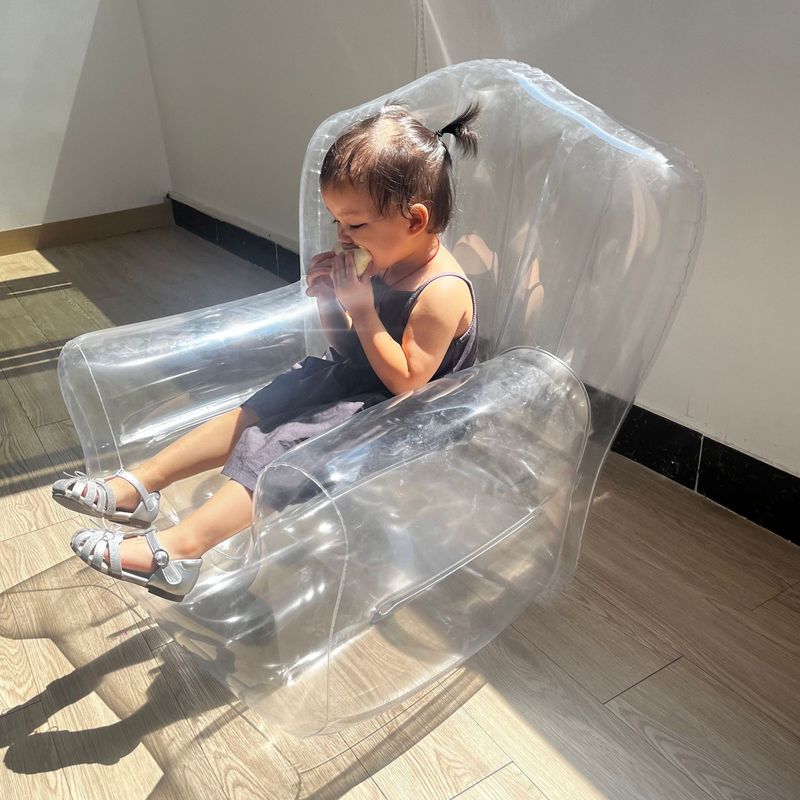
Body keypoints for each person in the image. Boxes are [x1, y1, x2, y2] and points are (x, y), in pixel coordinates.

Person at [53, 102, 480, 601]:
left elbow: (408, 384)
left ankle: (178, 551)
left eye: (356, 225)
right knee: (266, 404)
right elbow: (349, 352)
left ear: (415, 220)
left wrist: (363, 309)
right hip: (362, 383)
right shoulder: (388, 258)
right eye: (337, 222)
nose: (343, 238)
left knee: (279, 443)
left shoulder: (441, 291)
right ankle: (140, 486)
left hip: (409, 416)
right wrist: (331, 302)